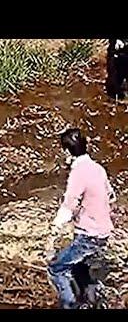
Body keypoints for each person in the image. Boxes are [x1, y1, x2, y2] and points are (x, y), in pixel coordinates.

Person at [49, 128, 116, 309]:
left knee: (57, 268)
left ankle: (71, 306)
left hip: (89, 235)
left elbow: (69, 204)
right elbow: (111, 196)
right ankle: (95, 302)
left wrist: (55, 226)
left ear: (67, 152)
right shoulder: (98, 168)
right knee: (80, 269)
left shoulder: (78, 172)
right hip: (103, 233)